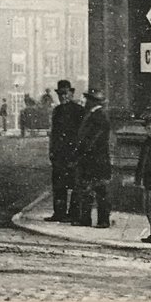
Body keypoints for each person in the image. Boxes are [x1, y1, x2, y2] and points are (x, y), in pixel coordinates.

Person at [44, 79, 84, 222]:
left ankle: (73, 214)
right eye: (60, 94)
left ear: (71, 93)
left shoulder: (79, 110)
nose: (63, 97)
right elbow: (54, 133)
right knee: (58, 185)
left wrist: (78, 153)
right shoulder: (57, 111)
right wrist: (52, 151)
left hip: (73, 154)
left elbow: (82, 134)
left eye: (65, 93)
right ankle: (59, 213)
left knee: (74, 185)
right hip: (59, 154)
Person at [72, 88, 112, 228]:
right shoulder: (94, 114)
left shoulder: (99, 115)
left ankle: (102, 220)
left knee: (98, 191)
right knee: (88, 190)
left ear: (92, 101)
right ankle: (87, 219)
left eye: (87, 99)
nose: (85, 102)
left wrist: (80, 153)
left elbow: (92, 140)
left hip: (95, 160)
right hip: (94, 159)